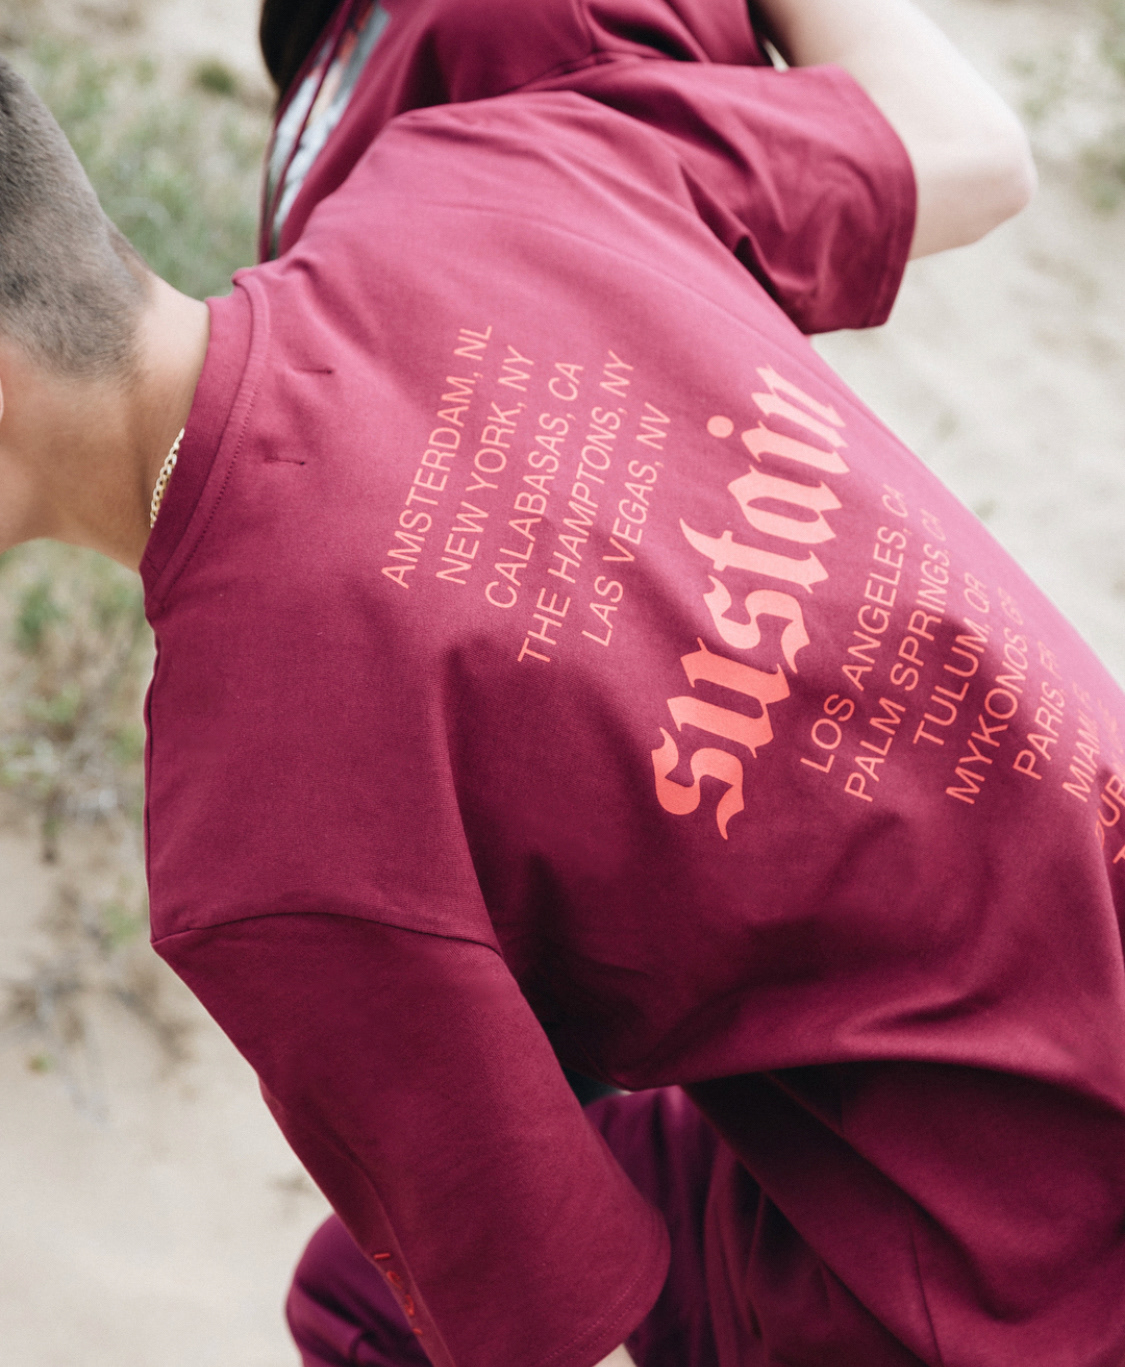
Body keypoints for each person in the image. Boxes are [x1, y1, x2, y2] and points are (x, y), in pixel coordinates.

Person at [4, 1, 1125, 1364]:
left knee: (364, 1311)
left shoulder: (251, 822)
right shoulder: (494, 160)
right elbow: (963, 148)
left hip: (1018, 1280)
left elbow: (550, 1322)